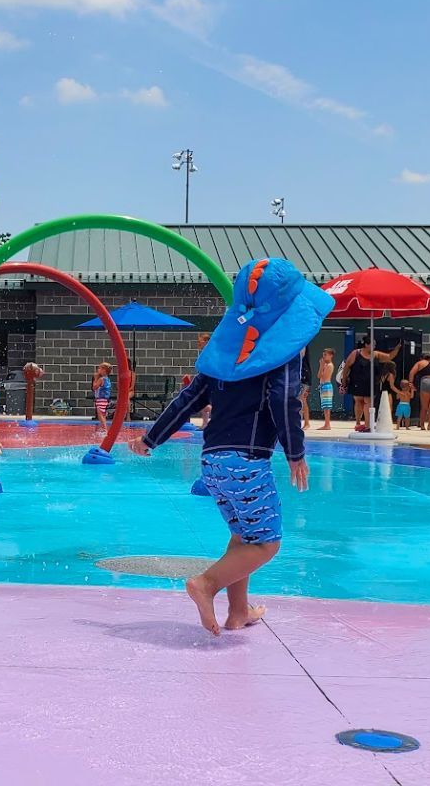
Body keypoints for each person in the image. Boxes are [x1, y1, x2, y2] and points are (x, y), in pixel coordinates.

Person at [128, 258, 333, 636]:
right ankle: (205, 584)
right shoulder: (282, 353)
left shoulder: (221, 357)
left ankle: (239, 611)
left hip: (213, 462)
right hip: (247, 461)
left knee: (243, 536)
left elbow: (187, 400)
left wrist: (149, 438)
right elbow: (284, 400)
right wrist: (295, 452)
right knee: (266, 543)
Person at [338, 336, 401, 432]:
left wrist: (397, 348)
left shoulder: (376, 354)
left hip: (371, 383)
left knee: (368, 402)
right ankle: (358, 422)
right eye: (373, 344)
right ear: (366, 345)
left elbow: (389, 357)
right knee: (359, 401)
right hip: (357, 381)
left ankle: (367, 425)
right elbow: (347, 367)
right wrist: (344, 381)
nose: (374, 346)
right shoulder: (356, 353)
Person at [409, 353, 430, 430]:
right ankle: (429, 426)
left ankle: (422, 425)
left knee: (424, 407)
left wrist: (411, 383)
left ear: (421, 358)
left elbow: (412, 372)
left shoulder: (420, 363)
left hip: (426, 381)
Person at [316, 348, 335, 430]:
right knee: (325, 406)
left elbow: (322, 376)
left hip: (326, 386)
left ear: (331, 356)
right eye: (323, 354)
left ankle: (327, 424)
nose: (323, 356)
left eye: (325, 355)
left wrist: (321, 365)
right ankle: (326, 424)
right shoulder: (326, 365)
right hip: (323, 386)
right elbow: (318, 376)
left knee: (327, 407)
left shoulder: (330, 365)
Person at [91, 362, 112, 433]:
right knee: (103, 414)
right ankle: (103, 428)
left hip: (101, 399)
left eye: (99, 368)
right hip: (105, 399)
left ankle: (105, 429)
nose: (98, 369)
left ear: (104, 370)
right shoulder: (107, 379)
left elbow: (94, 387)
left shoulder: (101, 379)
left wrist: (95, 378)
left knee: (100, 414)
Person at [298, 347, 311, 430]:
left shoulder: (302, 346)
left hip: (304, 378)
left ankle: (306, 422)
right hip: (303, 377)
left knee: (302, 400)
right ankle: (305, 422)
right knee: (301, 400)